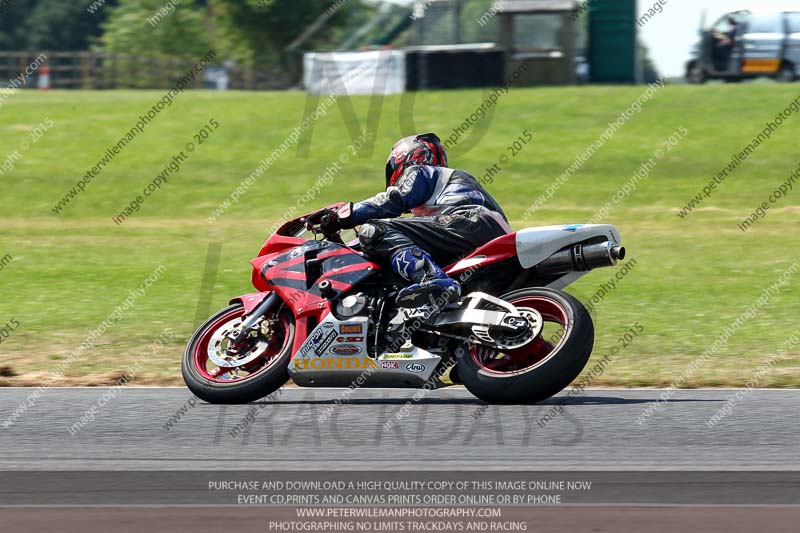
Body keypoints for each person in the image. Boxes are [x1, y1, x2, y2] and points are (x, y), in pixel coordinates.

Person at [308, 133, 510, 309]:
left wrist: (342, 215)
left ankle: (434, 281)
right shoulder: (434, 208)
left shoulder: (423, 172)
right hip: (481, 241)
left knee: (373, 230)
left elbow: (395, 199)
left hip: (470, 223)